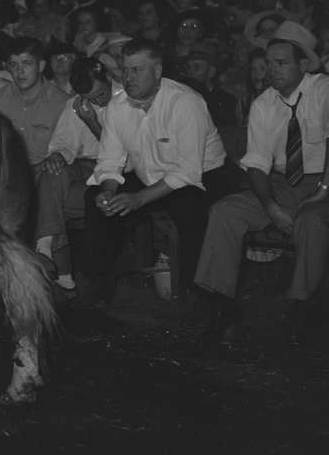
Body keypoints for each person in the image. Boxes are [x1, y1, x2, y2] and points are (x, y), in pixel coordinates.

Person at [195, 22, 329, 342]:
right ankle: (221, 305)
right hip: (282, 183)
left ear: (304, 65)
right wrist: (270, 205)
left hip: (324, 181)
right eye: (269, 63)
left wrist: (323, 191)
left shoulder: (323, 90)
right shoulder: (264, 104)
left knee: (312, 221)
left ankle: (302, 307)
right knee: (225, 212)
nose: (272, 70)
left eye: (281, 63)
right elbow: (256, 162)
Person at [83, 39, 235, 301]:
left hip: (204, 176)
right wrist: (107, 191)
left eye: (137, 70)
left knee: (190, 207)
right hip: (151, 176)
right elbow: (109, 161)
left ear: (157, 71)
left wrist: (138, 199)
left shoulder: (185, 102)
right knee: (95, 198)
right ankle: (100, 282)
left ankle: (194, 292)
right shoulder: (118, 107)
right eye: (125, 70)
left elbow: (187, 172)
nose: (128, 78)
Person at [35, 57, 113, 291]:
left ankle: (59, 266)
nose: (96, 102)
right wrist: (58, 154)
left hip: (112, 170)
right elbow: (63, 143)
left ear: (108, 78)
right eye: (90, 98)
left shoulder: (125, 102)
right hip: (82, 165)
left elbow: (121, 155)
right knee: (50, 172)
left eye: (100, 95)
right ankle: (45, 247)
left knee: (49, 197)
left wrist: (92, 122)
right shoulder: (77, 103)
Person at [0, 37, 70, 169]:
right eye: (14, 64)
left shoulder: (61, 103)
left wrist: (59, 155)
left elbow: (69, 146)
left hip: (43, 174)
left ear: (41, 66)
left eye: (26, 63)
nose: (20, 71)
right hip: (6, 172)